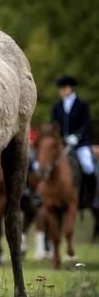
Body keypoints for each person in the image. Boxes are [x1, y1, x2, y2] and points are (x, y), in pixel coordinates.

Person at [51, 75, 96, 208]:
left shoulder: (82, 105)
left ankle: (91, 196)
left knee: (88, 166)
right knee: (44, 164)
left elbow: (86, 123)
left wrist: (77, 136)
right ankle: (40, 195)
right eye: (61, 88)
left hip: (80, 144)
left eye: (65, 88)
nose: (62, 90)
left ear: (72, 88)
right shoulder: (57, 106)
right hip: (63, 144)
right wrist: (60, 138)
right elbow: (54, 124)